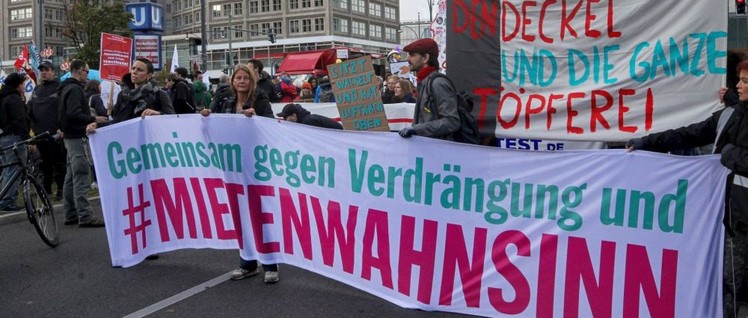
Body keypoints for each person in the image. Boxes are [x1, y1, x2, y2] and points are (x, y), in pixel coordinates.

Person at [626, 60, 748, 318]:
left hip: (741, 217)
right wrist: (646, 142)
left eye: (745, 81)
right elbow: (689, 133)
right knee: (726, 280)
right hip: (724, 214)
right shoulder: (729, 115)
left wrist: (729, 153)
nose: (738, 85)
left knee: (733, 282)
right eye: (740, 79)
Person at [199, 64, 279, 283]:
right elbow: (213, 125)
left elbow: (270, 126)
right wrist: (206, 115)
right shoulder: (224, 100)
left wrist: (256, 118)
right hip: (231, 166)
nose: (241, 81)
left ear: (252, 81)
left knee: (260, 215)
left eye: (246, 78)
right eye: (238, 78)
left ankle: (270, 264)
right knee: (240, 215)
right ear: (233, 81)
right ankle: (247, 263)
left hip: (254, 167)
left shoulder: (260, 100)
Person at [58, 59, 104, 227]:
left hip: (69, 136)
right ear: (78, 71)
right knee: (81, 174)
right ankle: (85, 215)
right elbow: (73, 114)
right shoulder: (75, 89)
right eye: (85, 71)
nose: (87, 74)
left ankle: (70, 213)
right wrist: (93, 118)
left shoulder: (64, 88)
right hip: (76, 136)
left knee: (71, 175)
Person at [398, 38, 460, 140]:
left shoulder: (438, 83)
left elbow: (452, 122)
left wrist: (417, 129)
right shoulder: (424, 82)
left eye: (412, 55)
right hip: (428, 148)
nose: (408, 59)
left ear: (425, 58)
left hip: (438, 150)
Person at [27, 60, 65, 201]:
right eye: (42, 70)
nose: (44, 72)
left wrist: (62, 128)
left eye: (47, 70)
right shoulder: (37, 89)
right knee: (44, 165)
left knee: (59, 164)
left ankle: (61, 190)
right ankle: (46, 190)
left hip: (55, 134)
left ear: (53, 72)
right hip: (39, 134)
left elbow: (63, 109)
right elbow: (29, 109)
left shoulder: (59, 87)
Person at [0, 73, 31, 211]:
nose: (24, 86)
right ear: (18, 85)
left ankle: (6, 198)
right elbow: (20, 120)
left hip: (4, 137)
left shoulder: (3, 97)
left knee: (8, 169)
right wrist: (26, 138)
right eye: (23, 84)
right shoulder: (14, 99)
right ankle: (8, 201)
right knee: (15, 170)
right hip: (15, 138)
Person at [276, 103, 343, 129]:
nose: (284, 120)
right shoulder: (305, 120)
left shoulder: (307, 121)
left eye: (285, 117)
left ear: (293, 116)